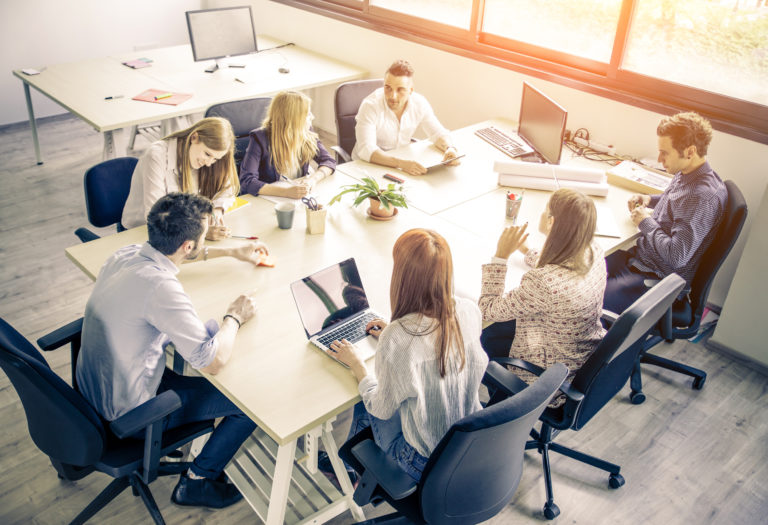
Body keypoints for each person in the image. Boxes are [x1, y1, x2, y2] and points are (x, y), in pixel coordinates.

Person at [77, 192, 269, 509]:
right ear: (187, 246)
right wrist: (234, 316)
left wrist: (233, 250)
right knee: (252, 401)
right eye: (202, 237)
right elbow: (212, 361)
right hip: (132, 415)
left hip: (92, 391)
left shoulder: (124, 254)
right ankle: (197, 481)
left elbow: (180, 257)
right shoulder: (160, 288)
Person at [327, 229, 488, 482]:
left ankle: (352, 471)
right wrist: (393, 337)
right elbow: (436, 350)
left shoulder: (399, 337)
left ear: (402, 277)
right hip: (467, 446)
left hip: (421, 461)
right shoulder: (469, 310)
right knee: (383, 386)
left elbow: (380, 408)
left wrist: (358, 365)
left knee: (364, 391)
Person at [478, 189, 606, 392]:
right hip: (579, 356)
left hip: (546, 379)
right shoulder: (594, 250)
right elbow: (562, 273)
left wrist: (500, 256)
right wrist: (528, 251)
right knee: (502, 325)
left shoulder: (543, 282)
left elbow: (486, 309)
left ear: (551, 222)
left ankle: (504, 405)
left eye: (545, 210)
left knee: (482, 332)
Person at [603, 112, 727, 315]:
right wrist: (649, 199)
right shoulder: (688, 173)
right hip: (640, 259)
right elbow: (677, 201)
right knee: (577, 270)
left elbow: (677, 255)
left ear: (690, 151)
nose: (660, 159)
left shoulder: (702, 197)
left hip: (657, 278)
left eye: (665, 153)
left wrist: (645, 222)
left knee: (588, 302)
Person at [122, 117, 239, 240]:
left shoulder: (209, 161)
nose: (209, 163)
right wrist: (201, 232)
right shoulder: (156, 155)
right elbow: (157, 217)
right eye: (207, 154)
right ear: (194, 137)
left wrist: (217, 208)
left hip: (183, 228)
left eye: (215, 159)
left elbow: (227, 190)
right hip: (141, 231)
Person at [352, 60, 461, 176]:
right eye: (388, 88)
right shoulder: (370, 106)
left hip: (401, 165)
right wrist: (402, 164)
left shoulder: (419, 103)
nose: (393, 96)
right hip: (367, 167)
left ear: (411, 90)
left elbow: (438, 133)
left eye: (400, 90)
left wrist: (450, 148)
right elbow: (366, 149)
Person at [239, 91, 336, 198]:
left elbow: (329, 161)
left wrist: (312, 180)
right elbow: (247, 181)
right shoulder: (259, 138)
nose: (312, 117)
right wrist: (285, 192)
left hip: (298, 196)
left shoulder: (306, 132)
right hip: (272, 198)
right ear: (293, 119)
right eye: (307, 114)